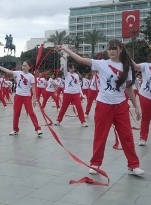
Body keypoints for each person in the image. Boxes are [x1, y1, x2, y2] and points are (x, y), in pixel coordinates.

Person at [58, 41, 145, 177]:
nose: (111, 52)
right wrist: (66, 49)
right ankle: (95, 163)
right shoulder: (102, 63)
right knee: (100, 136)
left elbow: (129, 88)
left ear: (120, 50)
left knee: (127, 137)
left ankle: (133, 166)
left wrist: (136, 106)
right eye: (109, 49)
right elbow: (81, 59)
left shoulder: (126, 67)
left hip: (121, 106)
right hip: (103, 105)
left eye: (114, 49)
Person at [0, 61, 43, 136]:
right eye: (23, 65)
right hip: (18, 96)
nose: (24, 67)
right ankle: (15, 129)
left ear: (29, 67)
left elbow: (33, 88)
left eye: (25, 66)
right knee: (16, 113)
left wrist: (35, 98)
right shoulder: (18, 73)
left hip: (27, 96)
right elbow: (9, 71)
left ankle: (38, 129)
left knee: (31, 113)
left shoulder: (31, 76)